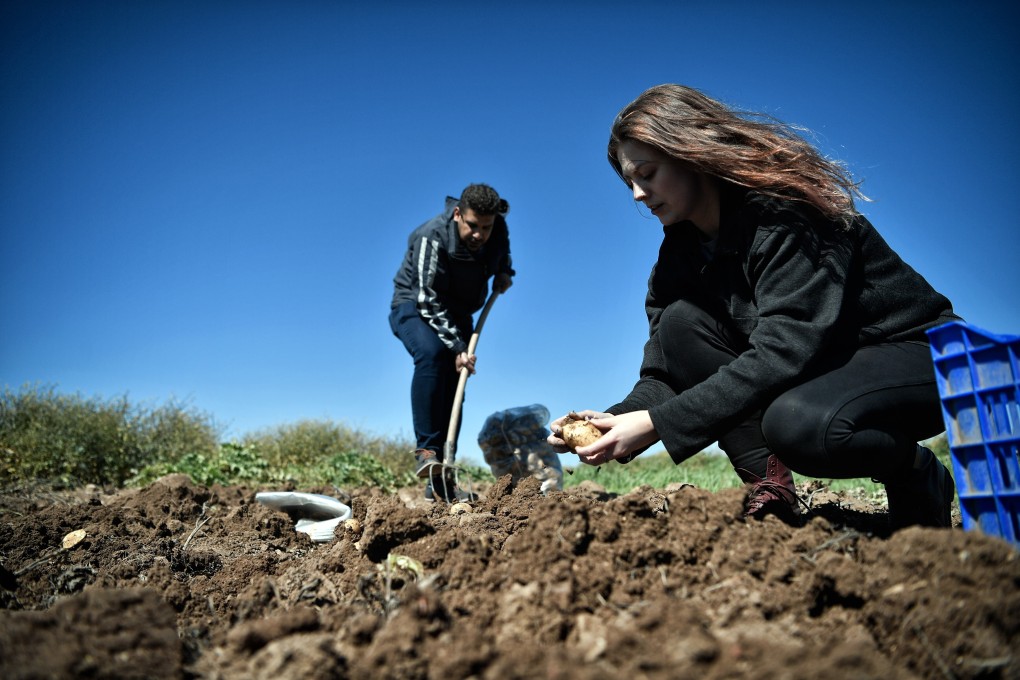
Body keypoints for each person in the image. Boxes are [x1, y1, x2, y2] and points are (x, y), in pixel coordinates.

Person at [548, 84, 959, 529]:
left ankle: (917, 474)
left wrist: (657, 424)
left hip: (916, 353)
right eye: (629, 181)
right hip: (823, 368)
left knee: (798, 425)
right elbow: (667, 370)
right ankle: (770, 489)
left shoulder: (785, 214)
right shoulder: (677, 261)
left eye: (646, 173)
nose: (637, 194)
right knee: (679, 323)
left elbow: (784, 348)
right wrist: (619, 421)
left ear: (691, 152)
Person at [390, 183, 514, 502]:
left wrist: (503, 272)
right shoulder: (431, 235)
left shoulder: (496, 229)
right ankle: (426, 450)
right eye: (472, 225)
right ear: (458, 213)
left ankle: (442, 482)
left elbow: (503, 252)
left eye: (486, 227)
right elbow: (426, 298)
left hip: (459, 314)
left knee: (454, 383)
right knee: (432, 355)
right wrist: (458, 347)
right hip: (414, 306)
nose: (479, 234)